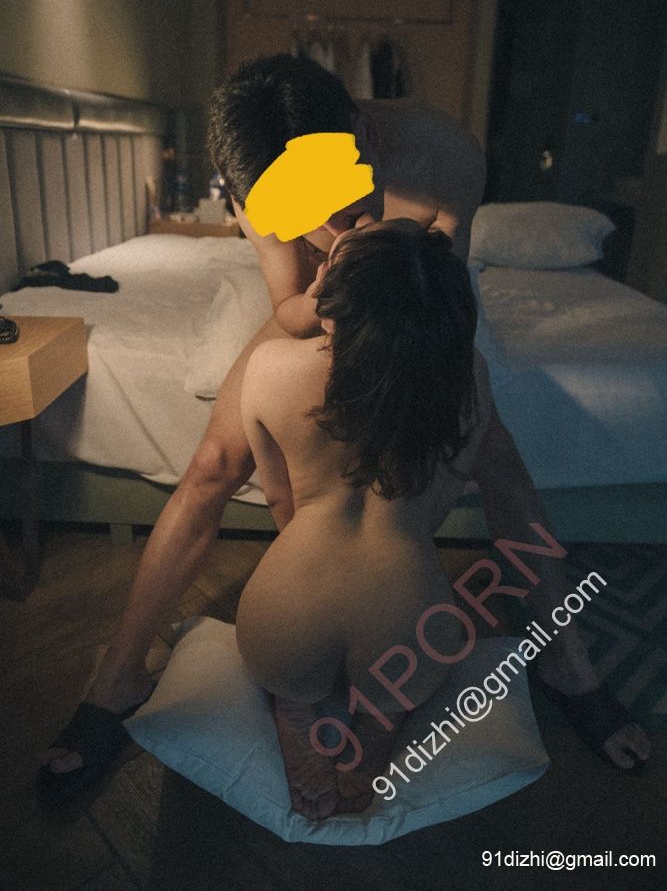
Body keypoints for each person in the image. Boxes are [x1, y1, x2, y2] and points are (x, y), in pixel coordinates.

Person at [38, 55, 649, 802]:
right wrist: (331, 303)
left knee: (497, 455)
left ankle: (566, 662)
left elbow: (439, 302)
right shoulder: (260, 177)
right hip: (323, 305)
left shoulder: (444, 155)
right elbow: (290, 305)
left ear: (362, 136)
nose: (328, 229)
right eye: (306, 218)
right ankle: (119, 676)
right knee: (212, 465)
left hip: (420, 305)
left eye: (344, 206)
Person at [237, 221, 491, 819]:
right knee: (393, 692)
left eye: (327, 268)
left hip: (284, 620)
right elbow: (439, 501)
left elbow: (279, 500)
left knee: (293, 684)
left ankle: (295, 710)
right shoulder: (468, 378)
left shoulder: (269, 367)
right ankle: (379, 723)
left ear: (331, 313)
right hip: (411, 632)